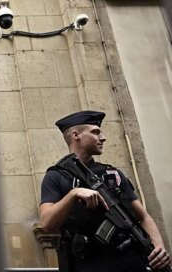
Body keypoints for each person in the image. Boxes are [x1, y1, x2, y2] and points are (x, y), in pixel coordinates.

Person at [40, 110, 171, 271]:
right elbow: (46, 223)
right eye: (95, 132)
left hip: (130, 260)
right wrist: (73, 194)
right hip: (89, 263)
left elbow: (143, 216)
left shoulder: (113, 174)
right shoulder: (56, 176)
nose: (103, 137)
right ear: (76, 135)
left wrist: (158, 248)